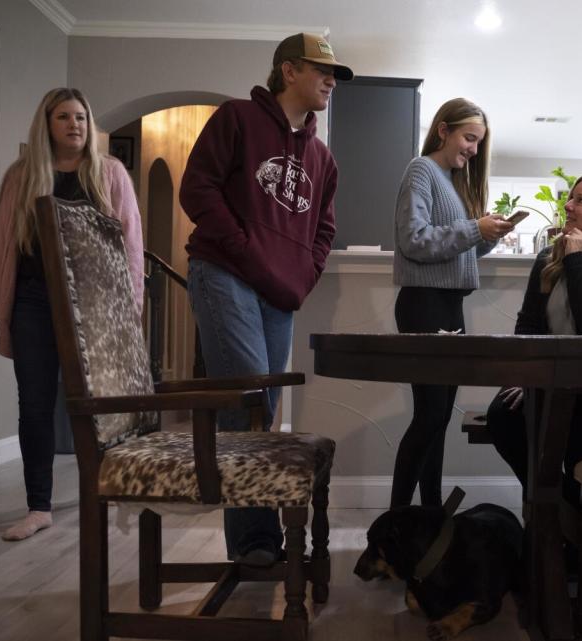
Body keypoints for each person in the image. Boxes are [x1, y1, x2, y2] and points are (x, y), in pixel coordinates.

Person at [179, 33, 353, 566]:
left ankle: (254, 542)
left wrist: (303, 276)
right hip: (223, 272)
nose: (330, 81)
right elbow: (197, 189)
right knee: (250, 395)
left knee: (262, 406)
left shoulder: (322, 158)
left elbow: (323, 229)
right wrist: (243, 248)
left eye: (333, 74)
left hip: (280, 292)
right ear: (287, 71)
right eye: (320, 69)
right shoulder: (236, 119)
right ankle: (257, 543)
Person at [0, 87, 144, 541]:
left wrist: (130, 310)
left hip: (93, 305)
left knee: (97, 403)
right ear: (47, 124)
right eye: (64, 117)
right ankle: (38, 507)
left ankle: (110, 491)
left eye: (81, 118)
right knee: (33, 404)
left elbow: (131, 246)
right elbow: (0, 243)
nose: (75, 125)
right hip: (32, 300)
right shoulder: (22, 176)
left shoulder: (109, 174)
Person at [486, 172, 582, 505]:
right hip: (555, 382)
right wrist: (526, 379)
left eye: (581, 201)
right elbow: (528, 325)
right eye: (571, 198)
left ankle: (572, 525)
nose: (568, 206)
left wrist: (576, 259)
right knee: (502, 416)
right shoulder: (549, 259)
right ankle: (554, 507)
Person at [391, 98, 513, 508]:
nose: (473, 150)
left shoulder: (449, 181)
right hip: (424, 305)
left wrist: (485, 237)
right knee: (429, 418)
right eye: (469, 138)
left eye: (478, 142)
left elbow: (450, 251)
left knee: (438, 420)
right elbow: (415, 240)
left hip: (446, 307)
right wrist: (472, 228)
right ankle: (397, 521)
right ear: (443, 130)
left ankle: (428, 517)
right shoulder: (422, 169)